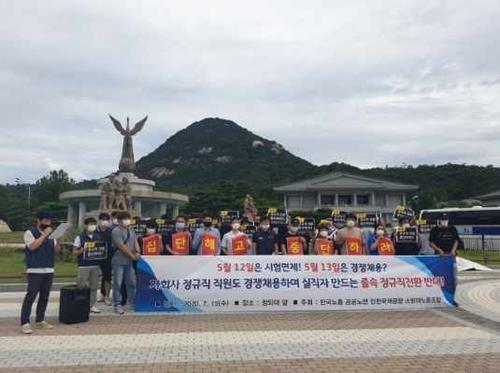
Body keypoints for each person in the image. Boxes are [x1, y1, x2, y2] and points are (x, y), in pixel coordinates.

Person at [20, 211, 63, 334]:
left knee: (44, 296)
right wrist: (44, 235)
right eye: (45, 220)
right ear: (38, 220)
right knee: (31, 296)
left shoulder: (52, 235)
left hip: (49, 269)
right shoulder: (29, 232)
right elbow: (32, 247)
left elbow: (56, 251)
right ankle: (25, 322)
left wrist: (59, 240)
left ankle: (40, 320)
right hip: (35, 269)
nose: (48, 223)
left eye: (49, 221)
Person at [111, 211, 141, 314]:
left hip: (129, 262)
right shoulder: (116, 231)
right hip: (119, 260)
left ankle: (132, 303)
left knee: (131, 282)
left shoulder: (131, 230)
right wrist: (132, 256)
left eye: (128, 218)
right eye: (125, 219)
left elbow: (135, 242)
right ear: (119, 221)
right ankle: (117, 305)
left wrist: (137, 252)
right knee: (117, 283)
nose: (127, 221)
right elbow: (121, 246)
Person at [73, 217, 102, 314]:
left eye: (94, 224)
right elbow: (75, 252)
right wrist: (83, 249)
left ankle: (92, 305)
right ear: (85, 226)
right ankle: (79, 303)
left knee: (94, 286)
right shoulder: (79, 237)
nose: (92, 226)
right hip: (84, 265)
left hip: (95, 265)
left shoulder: (97, 237)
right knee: (81, 285)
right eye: (90, 224)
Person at [97, 212, 112, 305]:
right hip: (96, 257)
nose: (104, 221)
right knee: (94, 278)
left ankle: (106, 296)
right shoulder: (95, 231)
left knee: (107, 278)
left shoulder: (111, 231)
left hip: (108, 258)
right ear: (99, 220)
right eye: (103, 219)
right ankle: (100, 295)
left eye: (106, 220)